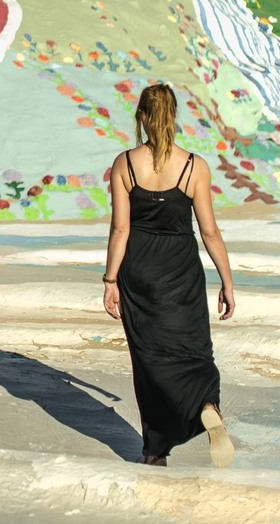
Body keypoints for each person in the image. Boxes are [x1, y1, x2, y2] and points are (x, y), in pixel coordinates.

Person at [101, 82, 236, 467]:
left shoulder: (124, 165)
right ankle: (206, 403)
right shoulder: (195, 167)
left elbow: (120, 230)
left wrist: (110, 281)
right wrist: (227, 281)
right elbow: (209, 231)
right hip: (182, 270)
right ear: (174, 116)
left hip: (140, 272)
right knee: (192, 349)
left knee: (149, 361)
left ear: (141, 117)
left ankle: (156, 451)